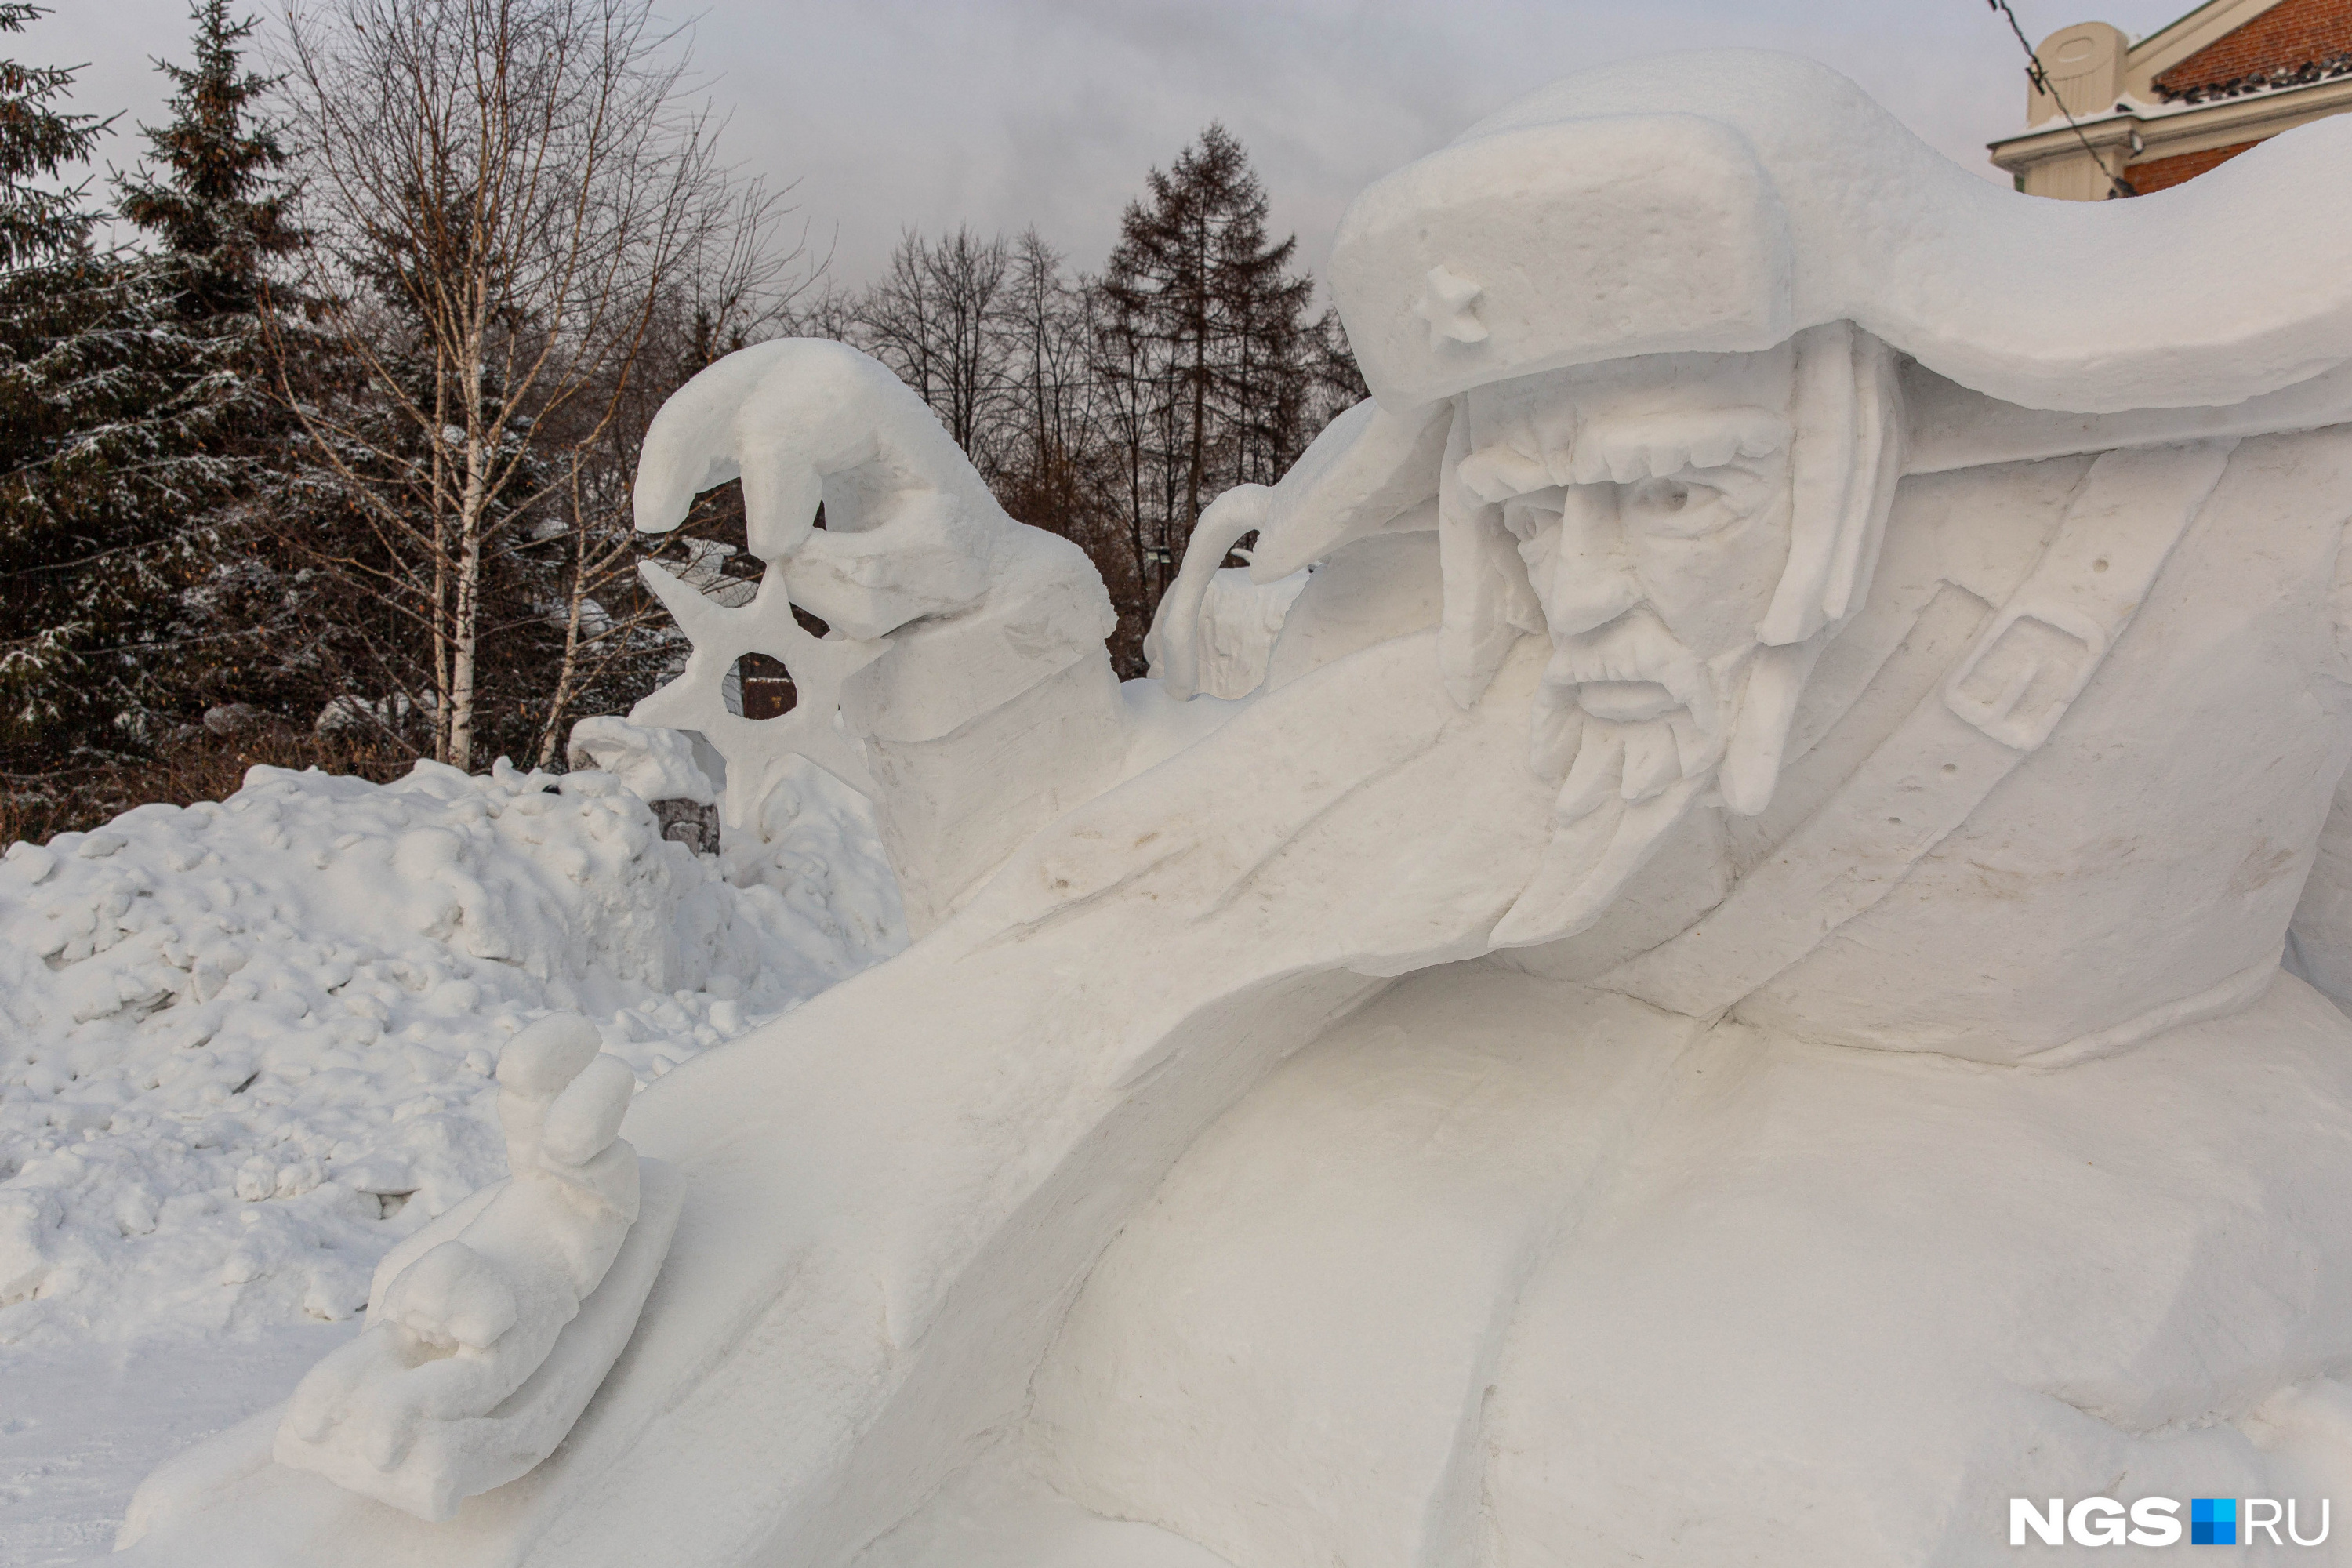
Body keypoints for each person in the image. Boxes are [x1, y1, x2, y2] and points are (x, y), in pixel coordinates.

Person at [116, 49, 2352, 1568]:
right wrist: (949, 623)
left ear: (1862, 475)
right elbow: (1102, 907)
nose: (1585, 587)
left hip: (2045, 1304)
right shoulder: (1501, 705)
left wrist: (2247, 1521)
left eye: (1670, 495)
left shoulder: (2212, 581)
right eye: (1534, 512)